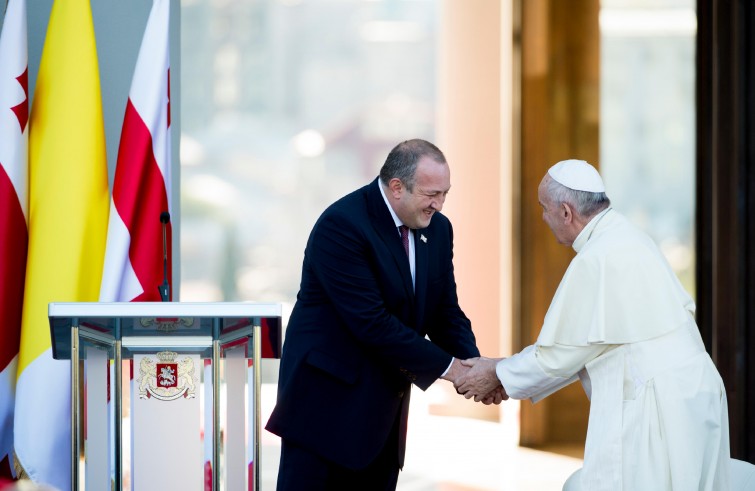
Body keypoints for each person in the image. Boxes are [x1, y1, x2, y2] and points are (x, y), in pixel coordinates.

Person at [455, 159, 731, 490]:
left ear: (566, 212)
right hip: (694, 391)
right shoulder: (630, 237)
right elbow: (585, 348)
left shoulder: (596, 258)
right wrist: (504, 373)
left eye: (544, 209)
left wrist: (497, 374)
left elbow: (557, 356)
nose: (543, 217)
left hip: (655, 406)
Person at [266, 139, 505, 490]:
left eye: (445, 194)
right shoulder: (342, 225)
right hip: (324, 417)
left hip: (382, 421)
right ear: (396, 187)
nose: (439, 205)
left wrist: (476, 366)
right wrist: (455, 372)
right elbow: (372, 323)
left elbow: (445, 311)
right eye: (431, 194)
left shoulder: (438, 229)